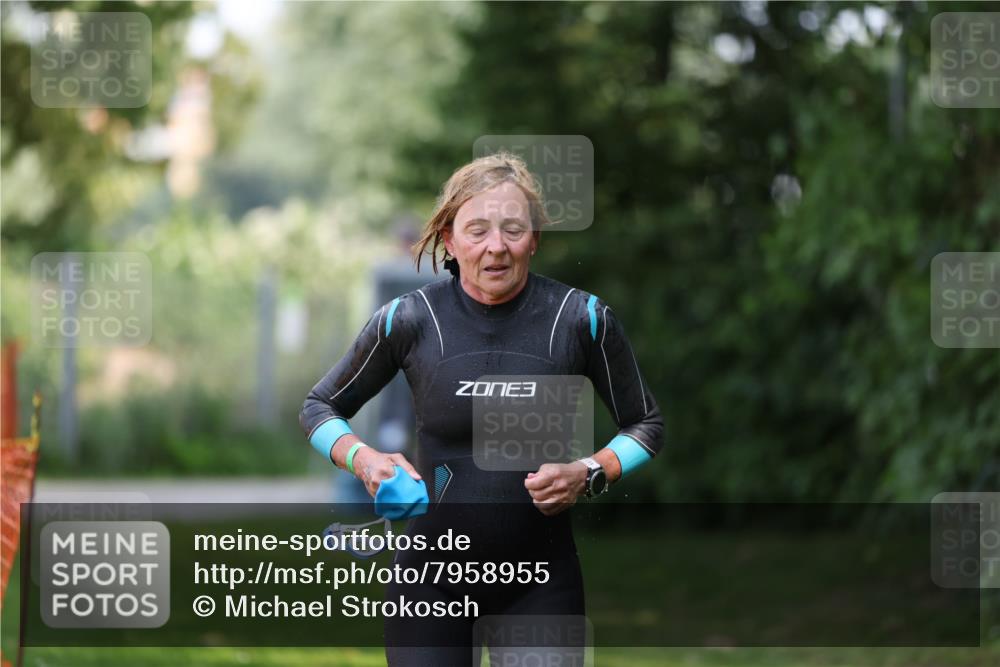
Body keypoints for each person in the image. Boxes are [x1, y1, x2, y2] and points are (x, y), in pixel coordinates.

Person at [300, 152, 663, 666]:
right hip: (430, 583)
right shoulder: (408, 320)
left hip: (540, 584)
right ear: (450, 239)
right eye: (477, 230)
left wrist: (589, 472)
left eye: (513, 229)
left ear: (534, 238)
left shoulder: (581, 318)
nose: (496, 247)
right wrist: (365, 461)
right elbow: (320, 407)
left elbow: (646, 424)